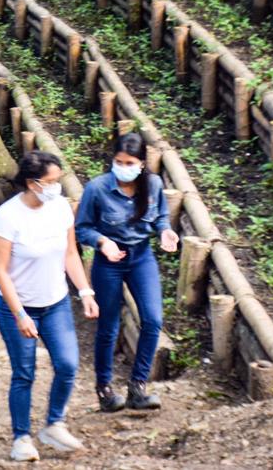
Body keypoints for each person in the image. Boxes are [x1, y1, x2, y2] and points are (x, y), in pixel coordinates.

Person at [0, 151, 98, 462]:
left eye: (58, 181)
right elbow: (0, 271)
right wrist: (20, 313)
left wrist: (85, 291)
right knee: (24, 373)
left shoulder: (61, 208)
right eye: (50, 182)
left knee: (68, 365)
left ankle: (54, 423)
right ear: (31, 183)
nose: (56, 187)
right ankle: (21, 437)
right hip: (18, 306)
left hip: (56, 302)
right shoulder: (6, 218)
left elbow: (70, 254)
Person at [75, 132, 179, 412]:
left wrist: (165, 231)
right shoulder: (97, 188)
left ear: (141, 163)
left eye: (129, 162)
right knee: (109, 326)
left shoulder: (153, 184)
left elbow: (160, 217)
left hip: (141, 257)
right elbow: (82, 228)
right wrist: (103, 241)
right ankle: (105, 389)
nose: (123, 167)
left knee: (153, 320)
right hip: (108, 261)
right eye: (118, 161)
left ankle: (138, 387)